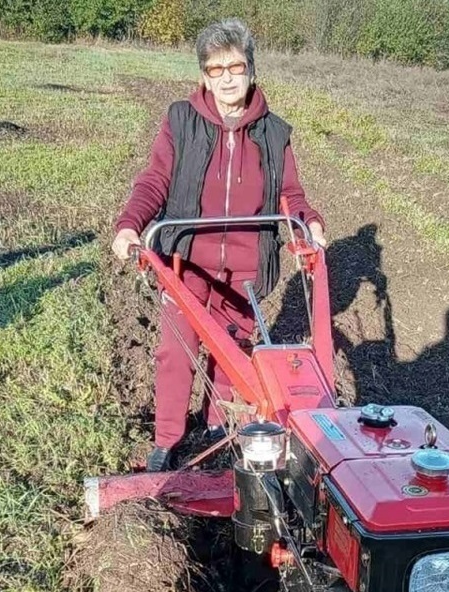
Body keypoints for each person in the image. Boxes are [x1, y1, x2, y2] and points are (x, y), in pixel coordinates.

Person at [112, 18, 326, 472]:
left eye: (236, 65)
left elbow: (291, 194)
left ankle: (215, 430)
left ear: (251, 69)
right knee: (175, 351)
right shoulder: (181, 121)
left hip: (246, 270)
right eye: (216, 68)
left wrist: (308, 223)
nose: (227, 77)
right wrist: (131, 224)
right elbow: (155, 181)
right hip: (186, 262)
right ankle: (167, 438)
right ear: (204, 75)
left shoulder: (274, 131)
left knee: (231, 358)